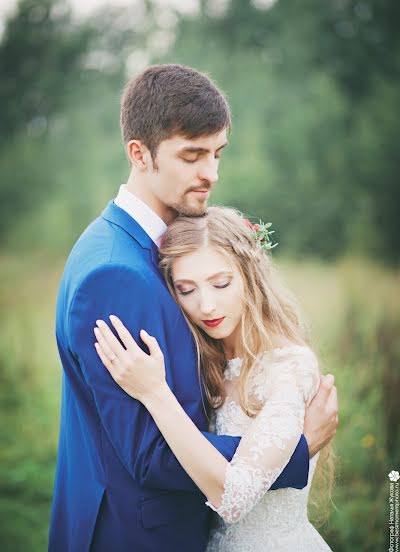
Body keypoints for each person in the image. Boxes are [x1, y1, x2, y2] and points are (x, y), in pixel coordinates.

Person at [49, 64, 338, 552]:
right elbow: (151, 454)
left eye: (217, 153)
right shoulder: (115, 273)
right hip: (137, 535)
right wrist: (294, 448)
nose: (212, 173)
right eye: (192, 155)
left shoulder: (144, 248)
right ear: (139, 154)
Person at [93, 206, 336, 551]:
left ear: (250, 276)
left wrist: (154, 393)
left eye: (221, 283)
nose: (206, 305)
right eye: (186, 289)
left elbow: (234, 499)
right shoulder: (208, 361)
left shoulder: (289, 367)